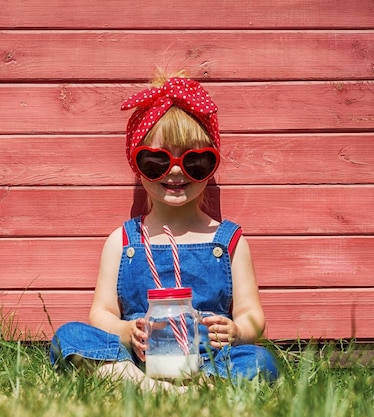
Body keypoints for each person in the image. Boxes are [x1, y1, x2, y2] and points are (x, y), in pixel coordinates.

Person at [49, 71, 279, 389]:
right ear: (136, 164)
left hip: (208, 360)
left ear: (212, 166)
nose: (174, 170)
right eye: (156, 161)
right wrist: (126, 333)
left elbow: (253, 315)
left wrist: (237, 330)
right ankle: (146, 385)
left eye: (195, 161)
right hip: (138, 360)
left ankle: (191, 387)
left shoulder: (227, 242)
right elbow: (100, 314)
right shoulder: (123, 241)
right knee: (70, 336)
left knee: (258, 360)